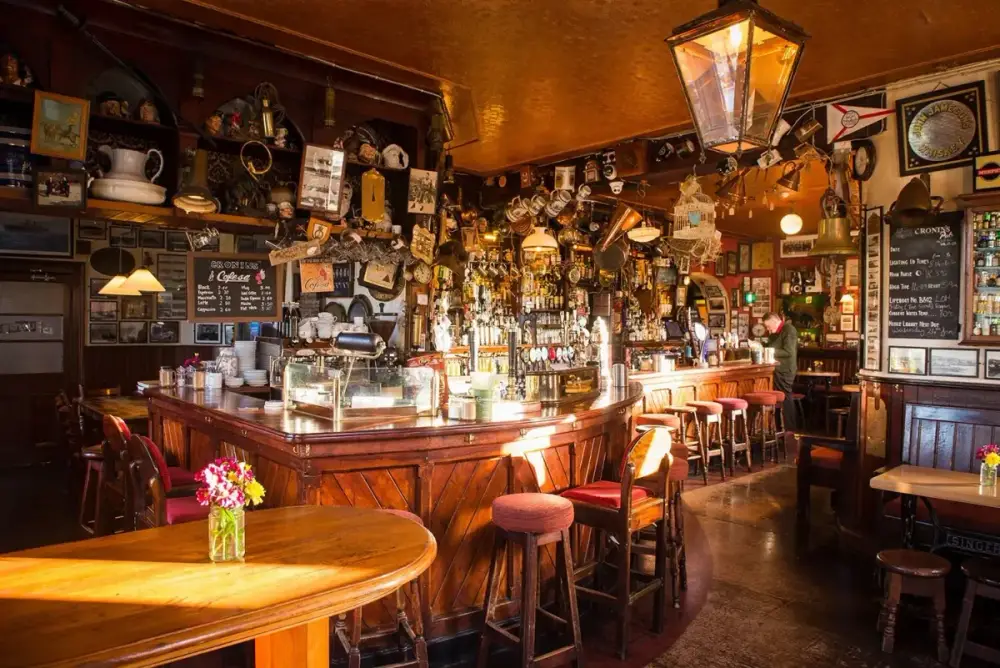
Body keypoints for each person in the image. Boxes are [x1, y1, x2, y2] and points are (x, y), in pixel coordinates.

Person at [763, 311, 798, 431]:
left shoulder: (789, 329)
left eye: (768, 326)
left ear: (774, 320)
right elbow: (770, 346)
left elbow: (789, 352)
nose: (768, 329)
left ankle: (789, 430)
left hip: (785, 370)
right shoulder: (774, 333)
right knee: (779, 399)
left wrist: (768, 351)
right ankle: (778, 428)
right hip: (775, 370)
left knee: (785, 398)